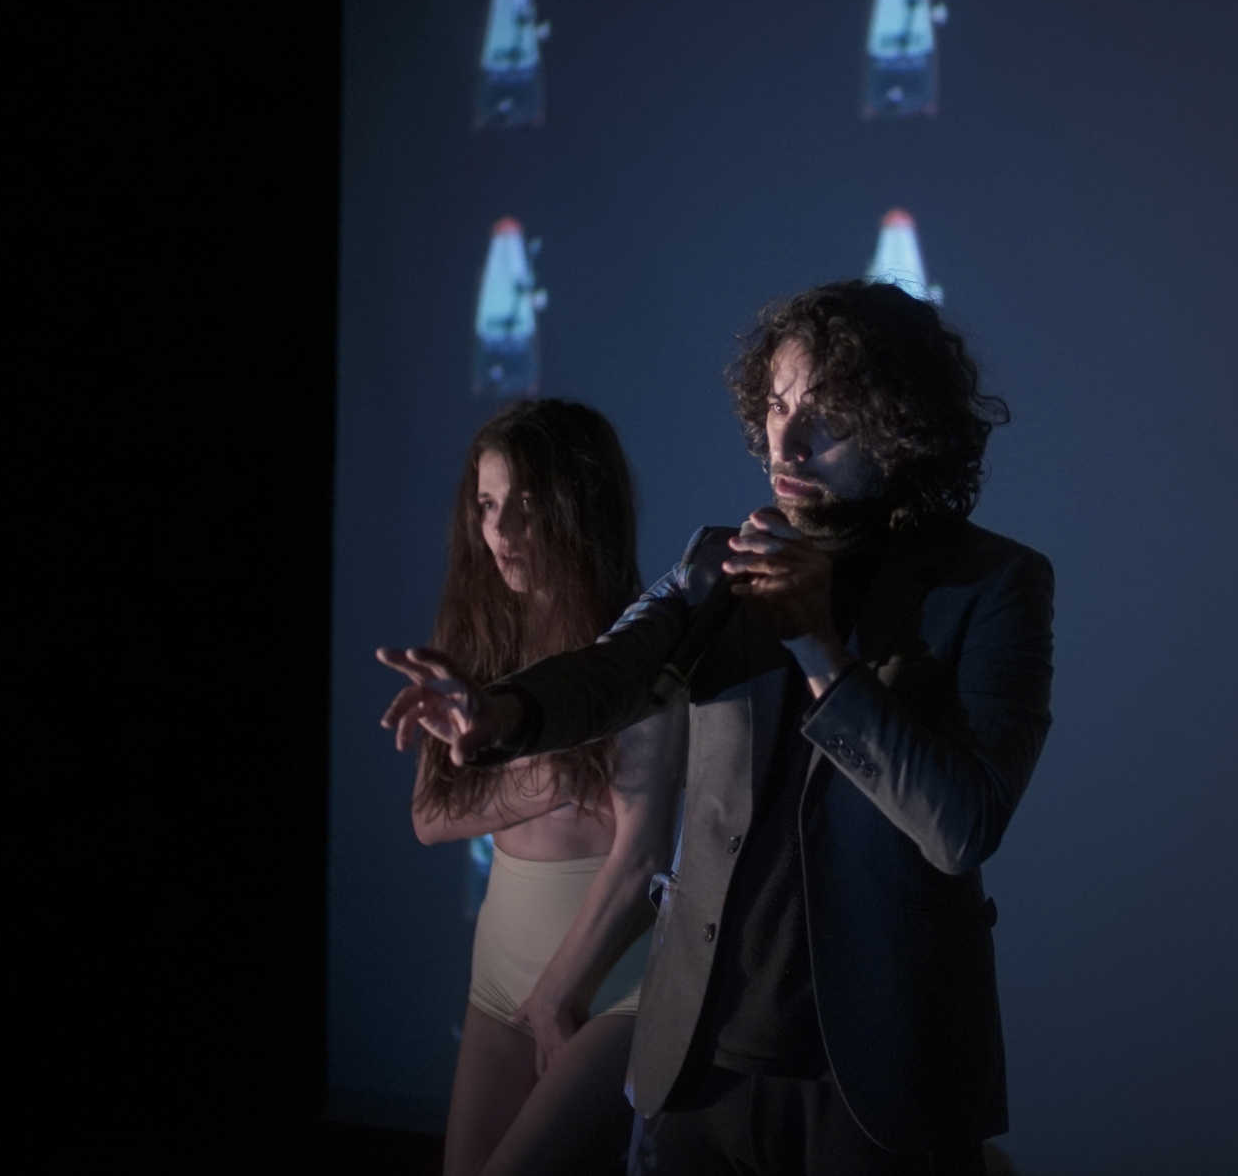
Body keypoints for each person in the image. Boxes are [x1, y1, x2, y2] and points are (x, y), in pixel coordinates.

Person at [381, 281, 1054, 1174]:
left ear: (903, 424)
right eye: (775, 405)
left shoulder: (993, 585)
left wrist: (820, 651)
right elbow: (610, 671)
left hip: (881, 1081)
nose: (786, 441)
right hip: (705, 1067)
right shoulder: (720, 561)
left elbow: (960, 823)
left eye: (826, 414)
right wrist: (498, 710)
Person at [380, 399, 686, 1176]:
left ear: (580, 503)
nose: (502, 530)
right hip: (497, 973)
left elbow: (642, 852)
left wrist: (556, 995)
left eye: (524, 503)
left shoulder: (640, 649)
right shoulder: (476, 642)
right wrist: (561, 771)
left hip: (610, 980)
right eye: (486, 505)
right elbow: (429, 818)